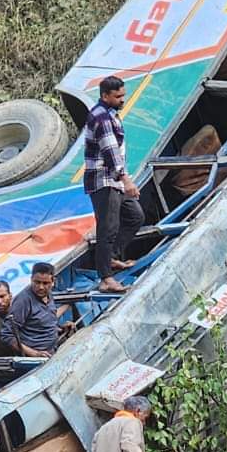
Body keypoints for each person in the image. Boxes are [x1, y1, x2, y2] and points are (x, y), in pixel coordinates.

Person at [83, 75, 144, 294]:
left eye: (123, 95)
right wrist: (126, 179)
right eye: (118, 96)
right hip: (105, 180)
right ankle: (106, 278)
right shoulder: (101, 118)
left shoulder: (110, 114)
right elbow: (110, 152)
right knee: (107, 229)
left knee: (135, 216)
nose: (122, 99)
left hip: (114, 181)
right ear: (105, 96)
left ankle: (110, 259)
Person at [1, 262, 70, 360]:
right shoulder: (23, 300)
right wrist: (34, 354)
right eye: (37, 282)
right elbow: (7, 335)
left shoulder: (48, 295)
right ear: (31, 279)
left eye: (45, 283)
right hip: (35, 360)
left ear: (53, 282)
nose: (41, 287)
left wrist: (61, 329)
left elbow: (39, 323)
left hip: (52, 352)